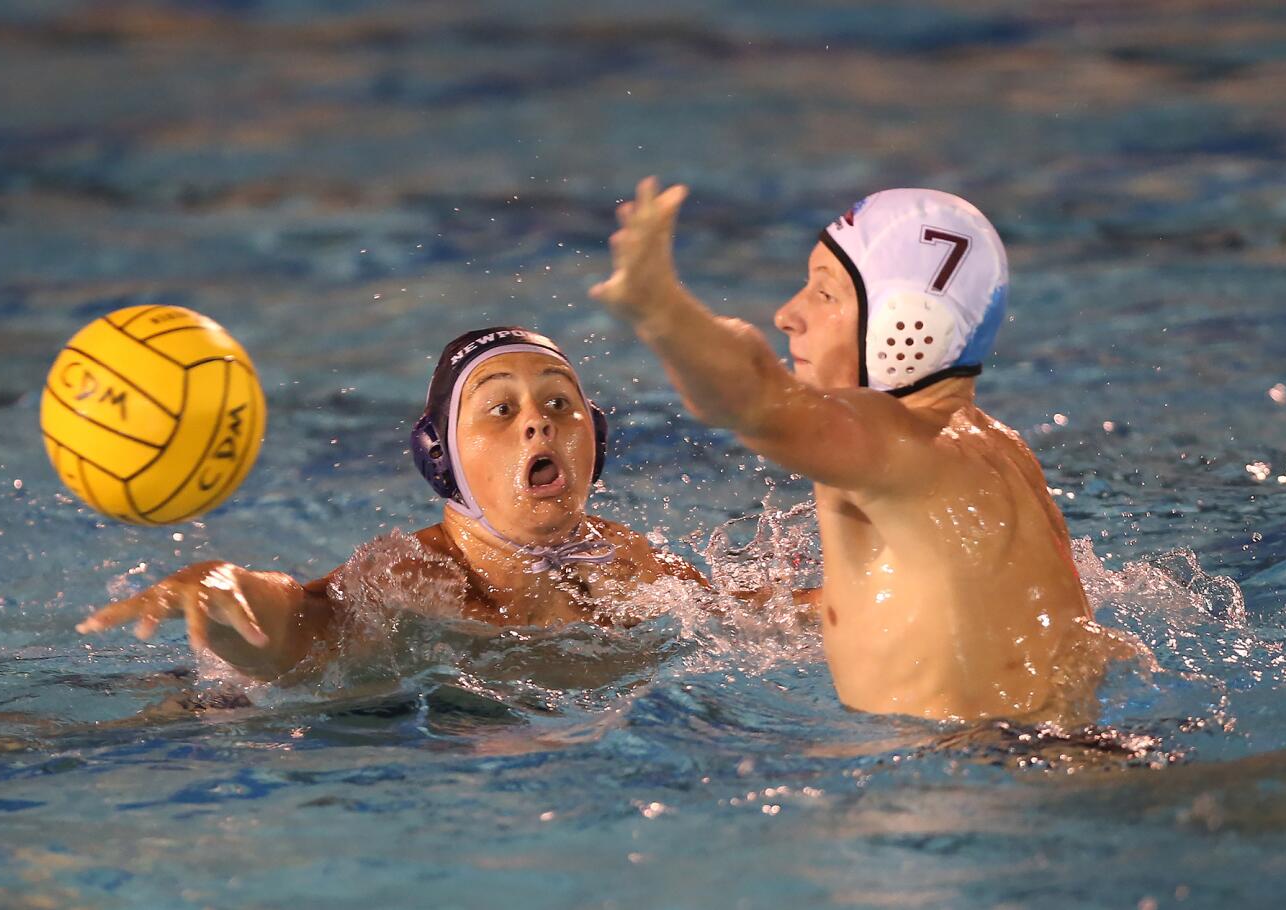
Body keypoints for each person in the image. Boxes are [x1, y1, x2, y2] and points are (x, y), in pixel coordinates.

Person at [590, 177, 1129, 722]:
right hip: (1047, 754)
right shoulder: (999, 447)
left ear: (907, 323)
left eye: (824, 293)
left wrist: (659, 308)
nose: (787, 314)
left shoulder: (899, 444)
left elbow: (755, 398)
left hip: (965, 778)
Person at [76, 327, 705, 683]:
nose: (539, 424)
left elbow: (768, 619)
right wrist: (220, 587)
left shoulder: (621, 564)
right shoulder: (416, 577)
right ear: (441, 459)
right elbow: (302, 621)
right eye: (500, 409)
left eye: (560, 404)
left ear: (596, 436)